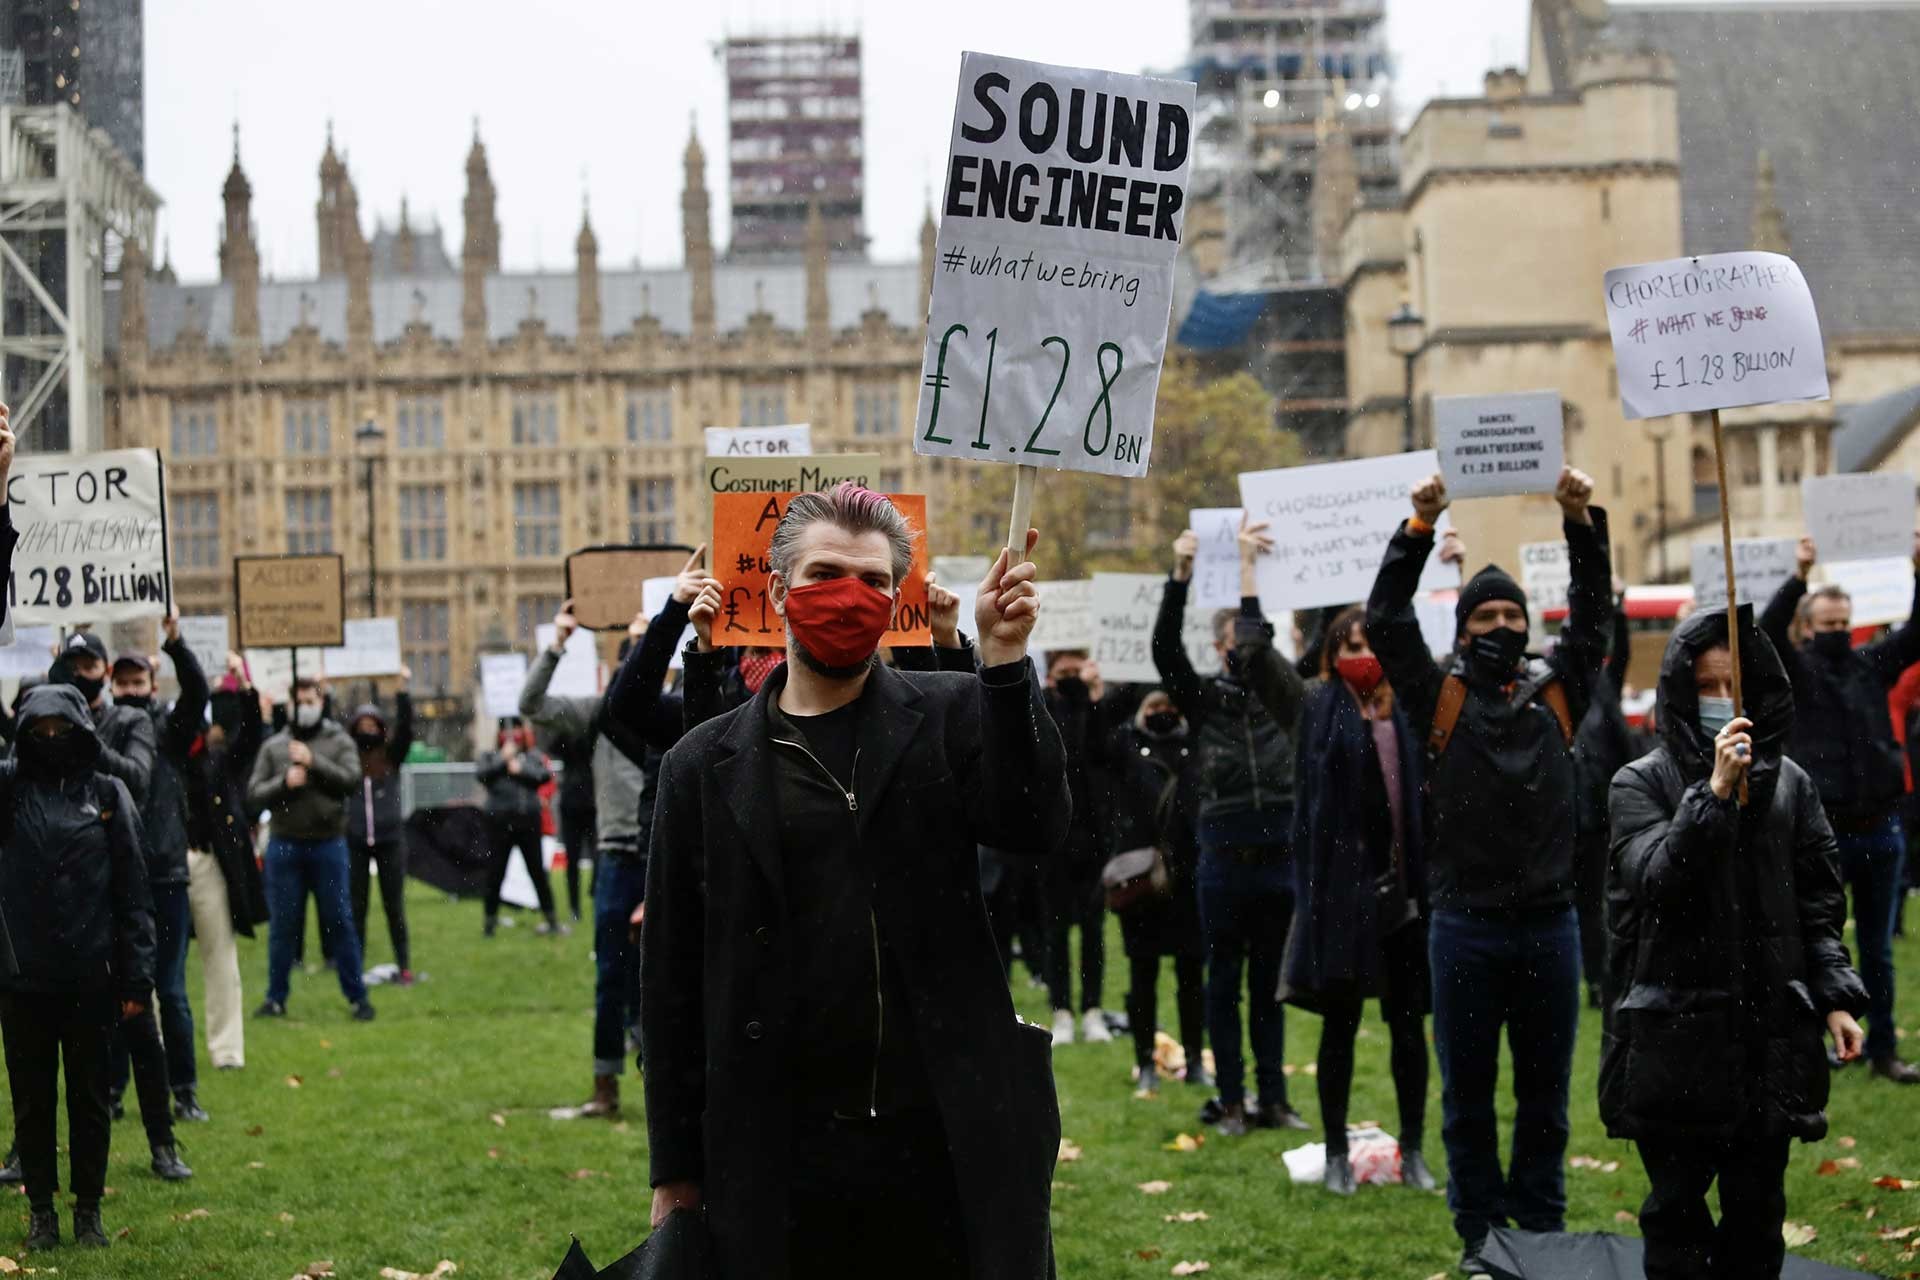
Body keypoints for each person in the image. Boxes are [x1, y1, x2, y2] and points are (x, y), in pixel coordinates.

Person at [643, 484, 1069, 1279]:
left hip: (943, 1141)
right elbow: (669, 982)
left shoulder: (949, 713)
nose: (852, 596)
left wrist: (1004, 666)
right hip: (780, 1155)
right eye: (827, 572)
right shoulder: (699, 766)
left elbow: (1031, 823)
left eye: (875, 581)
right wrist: (674, 1169)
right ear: (777, 589)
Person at [1365, 466, 1609, 1272]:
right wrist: (1418, 528)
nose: (1500, 623)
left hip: (1550, 929)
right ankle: (1480, 1239)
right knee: (1467, 1103)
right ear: (1464, 628)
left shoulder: (1558, 693)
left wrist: (1580, 521)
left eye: (1512, 613)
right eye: (1485, 614)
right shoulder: (1437, 697)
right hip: (1464, 931)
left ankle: (1538, 1234)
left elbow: (1596, 615)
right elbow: (1385, 616)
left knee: (1546, 1103)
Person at [1603, 607, 1868, 1279]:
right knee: (1676, 1218)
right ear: (1682, 693)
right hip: (1675, 1043)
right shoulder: (1639, 784)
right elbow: (1657, 881)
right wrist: (1713, 794)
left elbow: (1817, 904)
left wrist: (1835, 996)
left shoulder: (1794, 786)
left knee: (1756, 1218)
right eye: (1708, 687)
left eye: (1736, 688)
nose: (1722, 702)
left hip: (1766, 1041)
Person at [1154, 518, 1308, 1137]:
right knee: (1224, 980)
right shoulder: (1205, 703)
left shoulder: (1286, 699)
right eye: (1235, 642)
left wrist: (1251, 577)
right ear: (1219, 649)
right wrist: (1180, 577)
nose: (1244, 651)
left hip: (1280, 851)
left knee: (1271, 984)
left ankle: (1273, 1097)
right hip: (1223, 853)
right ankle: (1233, 1099)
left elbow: (1258, 644)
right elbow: (1166, 648)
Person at [1284, 605, 1435, 1197]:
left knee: (1406, 1029)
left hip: (1404, 900)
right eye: (1348, 647)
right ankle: (1339, 1153)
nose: (1360, 656)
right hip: (1343, 898)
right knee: (1340, 1028)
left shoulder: (1410, 714)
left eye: (1369, 645)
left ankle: (1415, 1148)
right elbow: (1309, 811)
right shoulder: (1319, 708)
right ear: (1330, 655)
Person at [0, 683, 157, 1251]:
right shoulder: (8, 790)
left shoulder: (108, 793)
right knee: (32, 1101)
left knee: (90, 1101)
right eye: (37, 731)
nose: (49, 740)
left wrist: (137, 974)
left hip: (92, 977)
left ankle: (88, 1209)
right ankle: (41, 1212)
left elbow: (133, 893)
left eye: (58, 729)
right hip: (24, 980)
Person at [1759, 534, 1920, 1083]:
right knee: (1816, 946)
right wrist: (1799, 574)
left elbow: (1917, 633)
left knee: (1878, 948)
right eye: (1827, 624)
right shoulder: (1798, 672)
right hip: (1822, 835)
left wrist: (1918, 569)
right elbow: (1766, 629)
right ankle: (1820, 1043)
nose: (1837, 632)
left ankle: (1881, 1050)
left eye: (1843, 622)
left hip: (1880, 828)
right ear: (1808, 627)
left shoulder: (1869, 665)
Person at [521, 595, 665, 1117]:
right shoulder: (598, 712)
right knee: (611, 975)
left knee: (666, 979)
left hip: (664, 860)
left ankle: (666, 1094)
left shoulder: (677, 707)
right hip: (616, 858)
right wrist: (557, 645)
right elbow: (532, 703)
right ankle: (606, 1087)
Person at [1092, 688, 1207, 1097]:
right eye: (1153, 706)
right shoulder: (1124, 746)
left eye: (1169, 706)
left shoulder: (1198, 742)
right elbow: (1096, 733)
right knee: (1143, 973)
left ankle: (1194, 1058)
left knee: (1192, 974)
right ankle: (1145, 1061)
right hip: (1141, 877)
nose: (1162, 713)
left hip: (1190, 877)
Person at [248, 676, 374, 1022]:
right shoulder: (275, 746)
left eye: (309, 700)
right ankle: (275, 997)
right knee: (283, 926)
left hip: (327, 844)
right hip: (286, 845)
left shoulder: (338, 741)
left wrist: (314, 762)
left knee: (339, 921)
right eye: (298, 701)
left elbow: (350, 780)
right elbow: (255, 793)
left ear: (321, 701)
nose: (304, 707)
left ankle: (357, 996)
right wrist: (283, 783)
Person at [184, 656, 271, 1068]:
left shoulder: (218, 760)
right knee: (156, 967)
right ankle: (157, 1044)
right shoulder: (164, 750)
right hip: (165, 862)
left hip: (207, 861)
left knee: (220, 956)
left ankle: (227, 1050)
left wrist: (246, 686)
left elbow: (252, 735)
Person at [1040, 650, 1116, 1046]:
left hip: (1093, 838)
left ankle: (1091, 1008)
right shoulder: (1042, 708)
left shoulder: (1094, 709)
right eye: (1063, 673)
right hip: (1053, 841)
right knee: (1055, 931)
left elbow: (1105, 754)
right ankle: (1062, 1010)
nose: (1071, 679)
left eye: (1076, 671)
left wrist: (1095, 699)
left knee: (1092, 930)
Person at [1573, 595, 1638, 1008]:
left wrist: (1616, 608)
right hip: (1577, 819)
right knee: (1587, 903)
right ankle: (1597, 979)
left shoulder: (1603, 688)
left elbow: (1623, 653)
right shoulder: (1565, 693)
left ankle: (1621, 972)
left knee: (1616, 898)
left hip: (1606, 812)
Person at [346, 669, 415, 983]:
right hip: (356, 840)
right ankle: (354, 966)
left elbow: (407, 730)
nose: (368, 730)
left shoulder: (390, 757)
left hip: (389, 839)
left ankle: (404, 965)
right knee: (356, 908)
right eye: (362, 726)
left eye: (373, 725)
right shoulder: (348, 761)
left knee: (394, 907)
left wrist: (402, 692)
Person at [476, 719, 560, 936]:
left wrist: (520, 769)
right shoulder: (491, 756)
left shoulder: (532, 756)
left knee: (537, 873)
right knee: (495, 873)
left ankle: (551, 921)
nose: (511, 733)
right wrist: (503, 760)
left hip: (527, 822)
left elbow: (543, 776)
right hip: (499, 823)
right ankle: (489, 924)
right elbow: (482, 774)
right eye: (506, 728)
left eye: (515, 728)